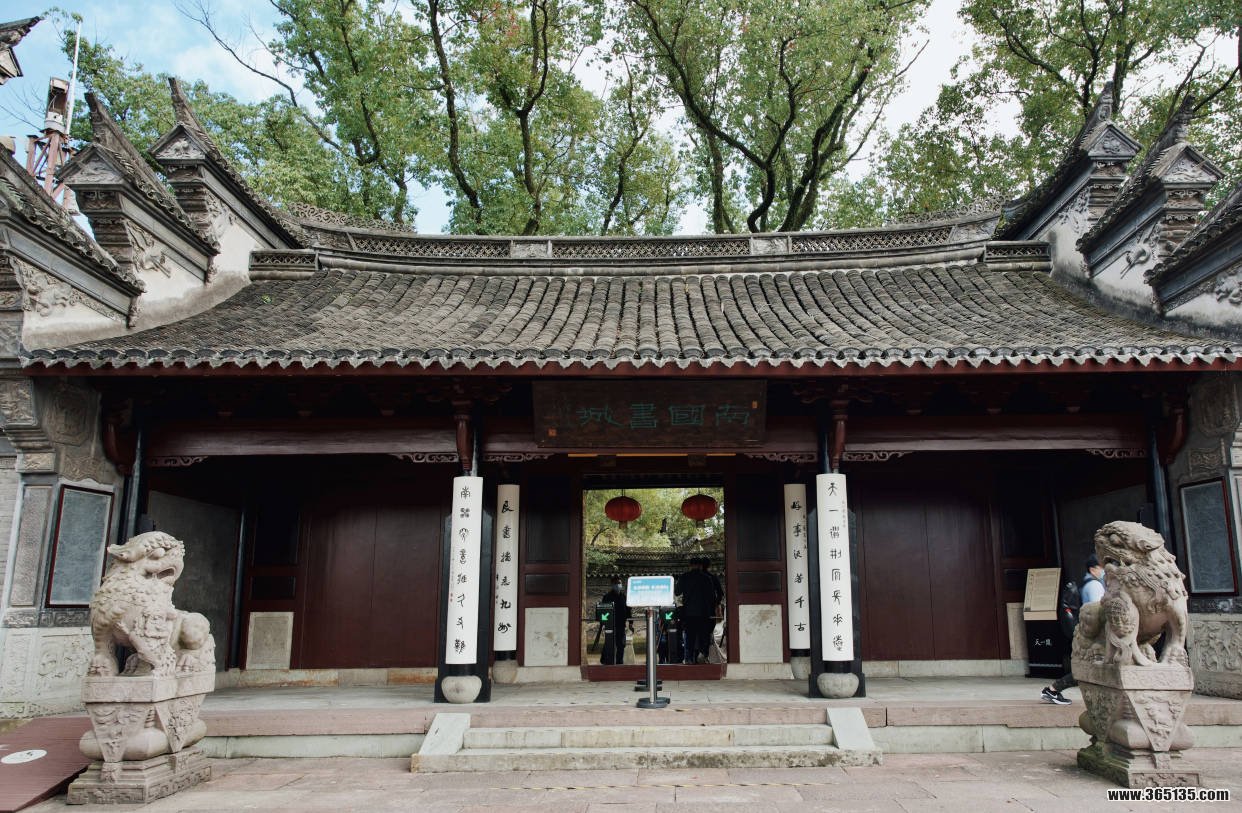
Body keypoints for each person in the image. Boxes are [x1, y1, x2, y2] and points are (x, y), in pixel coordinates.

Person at [1041, 554, 1105, 705]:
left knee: (1090, 667)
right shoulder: (1095, 586)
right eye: (1102, 567)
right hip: (1094, 636)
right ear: (1093, 569)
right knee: (1088, 668)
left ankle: (1053, 690)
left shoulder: (1088, 583)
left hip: (1088, 634)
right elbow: (1099, 611)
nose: (1104, 570)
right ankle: (1053, 689)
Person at [676, 557, 723, 664]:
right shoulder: (707, 578)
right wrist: (712, 607)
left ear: (690, 565)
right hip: (704, 613)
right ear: (700, 565)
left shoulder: (684, 577)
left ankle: (689, 658)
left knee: (690, 636)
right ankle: (702, 655)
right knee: (703, 635)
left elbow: (677, 592)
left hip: (689, 612)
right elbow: (712, 596)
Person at [598, 577, 631, 665]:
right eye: (616, 583)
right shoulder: (607, 597)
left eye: (619, 583)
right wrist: (603, 623)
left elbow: (628, 610)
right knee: (609, 643)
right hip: (610, 625)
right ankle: (605, 660)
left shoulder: (623, 597)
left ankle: (620, 661)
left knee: (621, 644)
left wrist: (631, 623)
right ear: (612, 585)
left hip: (621, 625)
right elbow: (603, 611)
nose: (618, 585)